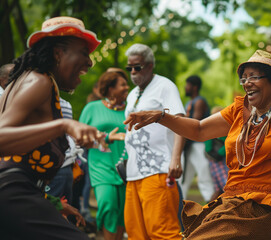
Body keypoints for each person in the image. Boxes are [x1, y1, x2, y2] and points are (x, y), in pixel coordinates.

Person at [124, 49, 271, 239]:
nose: (247, 83)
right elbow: (198, 129)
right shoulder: (240, 109)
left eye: (254, 77)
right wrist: (160, 117)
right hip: (231, 200)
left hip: (263, 209)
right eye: (244, 78)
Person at [0, 16, 103, 239]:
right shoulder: (39, 81)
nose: (90, 62)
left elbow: (22, 159)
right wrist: (63, 125)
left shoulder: (33, 80)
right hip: (12, 194)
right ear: (58, 53)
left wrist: (53, 203)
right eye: (84, 53)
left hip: (21, 193)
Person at [123, 43, 186, 239]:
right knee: (136, 232)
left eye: (137, 67)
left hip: (158, 169)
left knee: (162, 231)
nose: (133, 72)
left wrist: (176, 159)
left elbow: (181, 122)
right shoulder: (133, 93)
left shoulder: (164, 86)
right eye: (130, 68)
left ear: (150, 66)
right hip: (133, 173)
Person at [80, 71, 128, 240]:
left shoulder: (130, 109)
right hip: (101, 165)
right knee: (107, 205)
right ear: (110, 88)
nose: (127, 87)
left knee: (123, 210)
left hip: (125, 166)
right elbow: (79, 138)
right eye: (122, 84)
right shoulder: (92, 108)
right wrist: (106, 137)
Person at [181, 75, 215, 201]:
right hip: (189, 145)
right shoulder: (188, 103)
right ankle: (180, 209)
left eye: (187, 84)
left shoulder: (199, 101)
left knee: (204, 175)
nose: (185, 87)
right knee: (184, 178)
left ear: (194, 87)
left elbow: (194, 125)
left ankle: (211, 207)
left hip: (199, 144)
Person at [204, 106, 228, 201]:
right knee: (220, 184)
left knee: (224, 183)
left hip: (221, 158)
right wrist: (210, 152)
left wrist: (219, 153)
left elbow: (228, 143)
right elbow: (208, 143)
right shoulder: (212, 128)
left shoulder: (226, 128)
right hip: (215, 159)